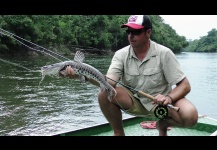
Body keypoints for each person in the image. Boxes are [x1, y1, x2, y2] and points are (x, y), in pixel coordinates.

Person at [59, 15, 198, 136]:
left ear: (148, 32)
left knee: (191, 116)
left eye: (136, 31)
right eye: (128, 31)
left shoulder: (164, 53)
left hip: (162, 103)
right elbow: (109, 82)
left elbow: (185, 85)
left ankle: (162, 125)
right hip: (134, 101)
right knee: (104, 93)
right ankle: (118, 133)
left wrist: (168, 97)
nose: (131, 35)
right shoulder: (120, 54)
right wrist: (80, 75)